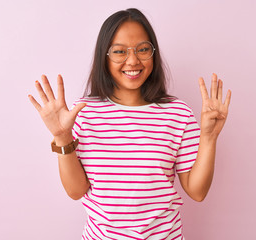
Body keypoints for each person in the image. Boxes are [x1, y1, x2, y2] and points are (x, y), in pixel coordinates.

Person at [28, 8, 231, 240]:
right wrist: (63, 137)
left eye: (143, 49)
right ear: (104, 56)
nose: (133, 60)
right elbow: (76, 191)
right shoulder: (83, 112)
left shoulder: (177, 113)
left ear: (153, 52)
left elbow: (197, 191)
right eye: (119, 51)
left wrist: (209, 137)